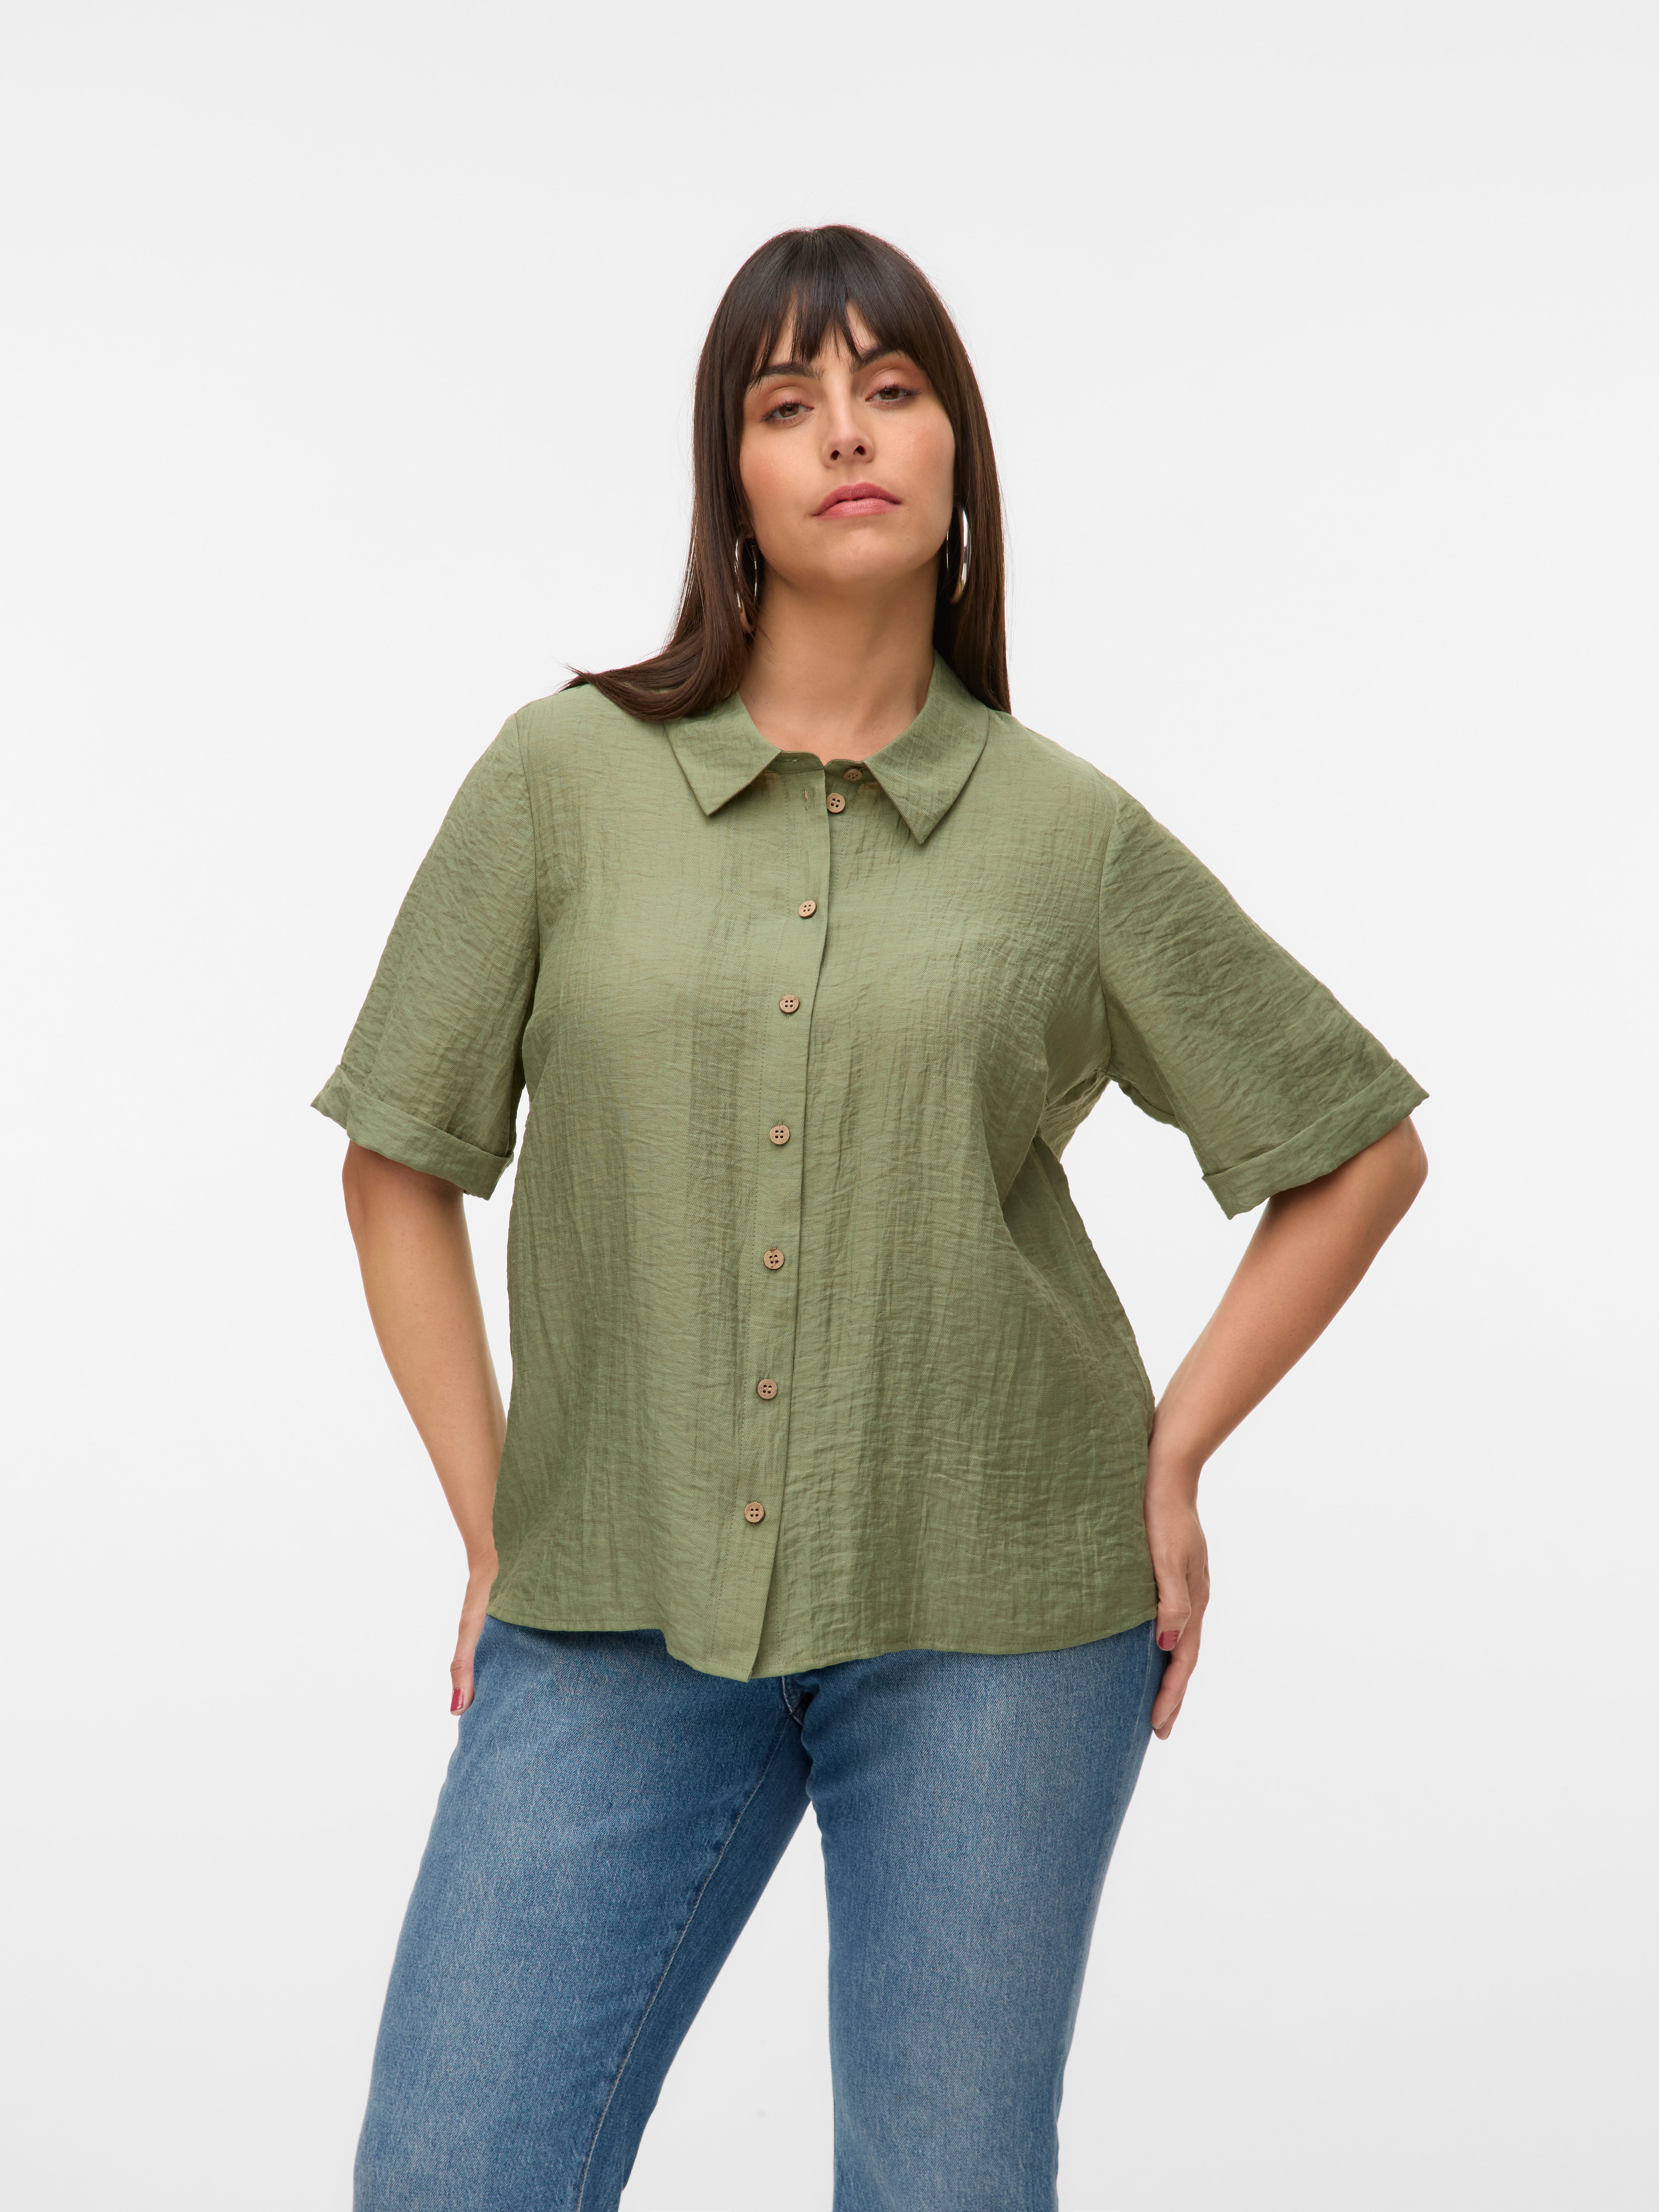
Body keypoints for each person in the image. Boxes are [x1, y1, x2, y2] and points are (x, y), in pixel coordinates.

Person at [315, 224, 1428, 2212]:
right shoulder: (562, 781)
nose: (847, 433)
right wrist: (495, 1527)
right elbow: (399, 1159)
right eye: (788, 401)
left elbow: (1354, 1148)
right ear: (729, 479)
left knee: (946, 2188)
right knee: (454, 2173)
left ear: (957, 457)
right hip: (611, 1600)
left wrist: (1172, 1456)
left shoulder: (1066, 835)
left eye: (892, 391)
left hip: (1003, 1616)